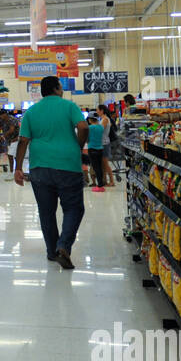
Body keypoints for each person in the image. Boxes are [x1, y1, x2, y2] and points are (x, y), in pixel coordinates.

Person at [14, 76, 89, 270]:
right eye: (61, 87)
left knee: (46, 212)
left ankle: (52, 252)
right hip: (68, 165)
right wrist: (77, 146)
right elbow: (83, 127)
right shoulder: (69, 106)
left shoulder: (31, 112)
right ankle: (63, 245)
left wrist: (18, 168)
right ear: (57, 88)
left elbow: (23, 140)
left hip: (40, 167)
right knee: (73, 208)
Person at [86, 114, 107, 192]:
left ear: (90, 120)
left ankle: (100, 186)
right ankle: (101, 183)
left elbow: (87, 139)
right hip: (100, 149)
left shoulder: (90, 128)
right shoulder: (101, 127)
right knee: (99, 167)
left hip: (92, 148)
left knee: (96, 168)